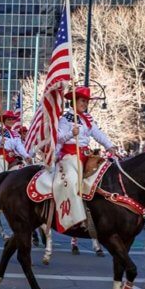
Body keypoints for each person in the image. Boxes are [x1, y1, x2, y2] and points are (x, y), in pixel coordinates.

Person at [53, 86, 117, 232]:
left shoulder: (87, 119)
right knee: (72, 180)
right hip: (69, 156)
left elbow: (98, 134)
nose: (85, 104)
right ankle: (76, 218)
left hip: (87, 156)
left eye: (86, 101)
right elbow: (58, 138)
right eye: (82, 101)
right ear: (74, 102)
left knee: (105, 177)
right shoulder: (65, 119)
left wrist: (109, 146)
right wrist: (70, 133)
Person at [0, 111, 30, 190]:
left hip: (13, 157)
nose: (11, 121)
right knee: (0, 173)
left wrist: (26, 155)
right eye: (9, 119)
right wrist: (0, 142)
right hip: (1, 156)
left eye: (12, 119)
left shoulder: (15, 134)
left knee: (24, 167)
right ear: (4, 121)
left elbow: (19, 147)